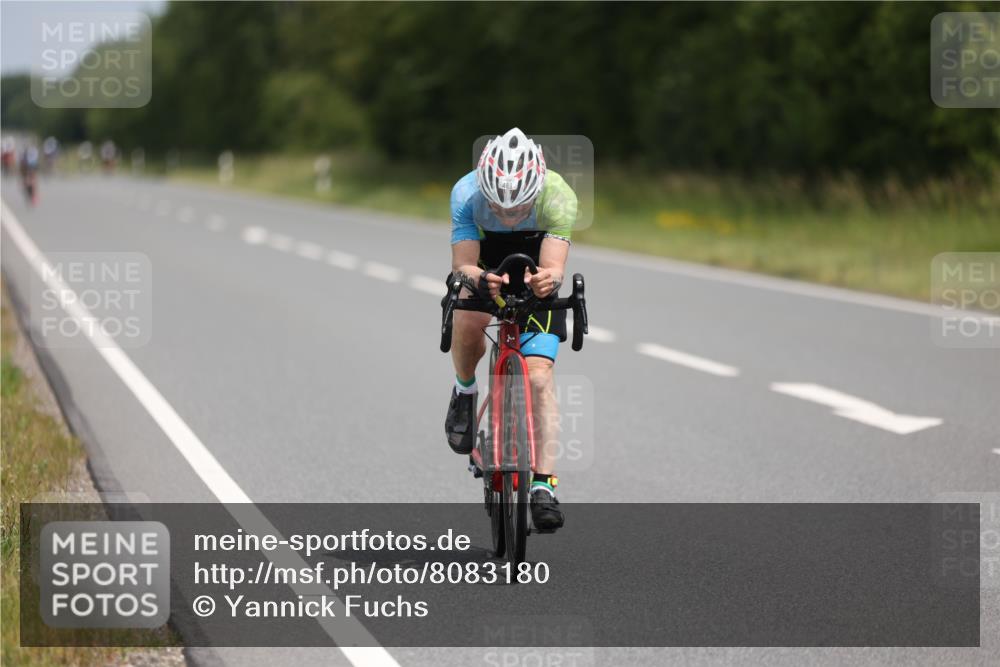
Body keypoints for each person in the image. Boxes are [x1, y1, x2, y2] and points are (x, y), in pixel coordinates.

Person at [445, 128, 578, 531]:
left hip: (534, 261)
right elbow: (462, 265)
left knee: (539, 378)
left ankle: (543, 485)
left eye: (518, 207)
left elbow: (554, 268)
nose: (506, 215)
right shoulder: (466, 193)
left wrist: (547, 281)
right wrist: (479, 278)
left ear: (535, 189)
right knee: (468, 321)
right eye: (497, 207)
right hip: (486, 264)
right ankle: (465, 391)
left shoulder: (559, 195)